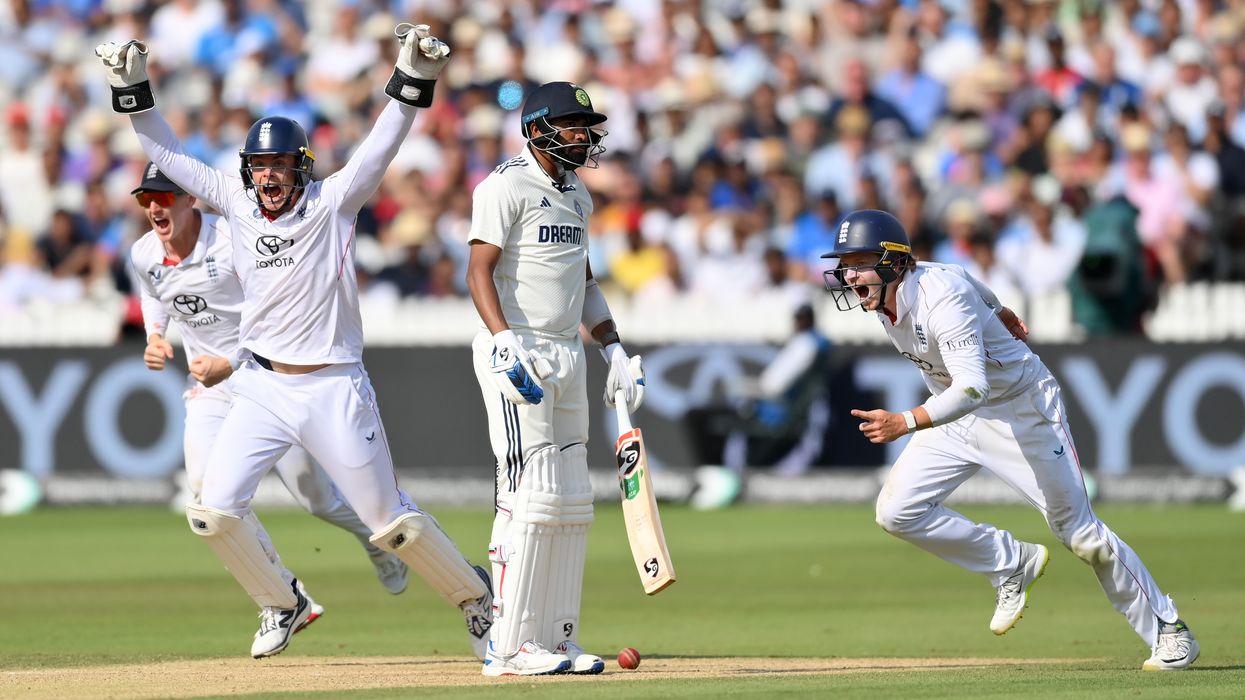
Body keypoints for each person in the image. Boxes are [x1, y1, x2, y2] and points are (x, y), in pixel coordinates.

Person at [97, 25, 492, 661]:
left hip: (333, 383)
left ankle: (478, 600)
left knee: (391, 525)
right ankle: (283, 601)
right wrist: (132, 89)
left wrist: (412, 77)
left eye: (280, 165)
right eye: (259, 165)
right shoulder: (233, 201)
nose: (268, 176)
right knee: (213, 512)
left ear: (301, 166)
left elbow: (378, 148)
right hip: (261, 384)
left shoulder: (333, 203)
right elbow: (165, 153)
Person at [820, 209, 1199, 672]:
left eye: (859, 261)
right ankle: (1010, 563)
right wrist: (999, 310)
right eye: (846, 263)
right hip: (956, 416)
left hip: (1021, 411)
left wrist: (905, 421)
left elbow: (973, 386)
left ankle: (1168, 629)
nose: (849, 274)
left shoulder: (942, 298)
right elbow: (963, 274)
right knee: (896, 512)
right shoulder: (903, 289)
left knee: (1081, 536)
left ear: (894, 261)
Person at [129, 162, 410, 617]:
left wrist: (233, 360)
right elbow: (152, 292)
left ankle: (372, 539)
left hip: (268, 376)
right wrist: (155, 336)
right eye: (146, 199)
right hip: (210, 389)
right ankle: (284, 599)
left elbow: (275, 302)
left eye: (164, 197)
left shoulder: (232, 238)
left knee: (316, 499)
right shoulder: (144, 253)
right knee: (205, 497)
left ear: (190, 198)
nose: (154, 207)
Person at [466, 81, 644, 677]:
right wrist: (502, 341)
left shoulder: (578, 196)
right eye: (572, 125)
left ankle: (556, 638)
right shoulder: (504, 185)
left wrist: (613, 348)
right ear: (538, 128)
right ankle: (507, 646)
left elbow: (586, 283)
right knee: (529, 496)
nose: (583, 135)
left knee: (572, 499)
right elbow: (477, 272)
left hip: (569, 348)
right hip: (520, 348)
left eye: (585, 125)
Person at [683, 303, 833, 509]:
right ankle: (718, 478)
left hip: (773, 414)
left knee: (697, 416)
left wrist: (740, 387)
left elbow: (773, 387)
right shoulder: (816, 343)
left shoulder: (806, 344)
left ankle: (717, 480)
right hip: (778, 410)